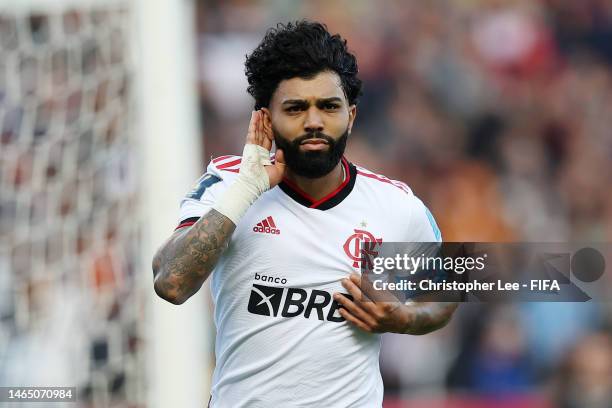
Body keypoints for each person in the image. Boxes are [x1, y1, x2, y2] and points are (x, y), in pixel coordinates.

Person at [152, 20, 457, 408]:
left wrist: (405, 318)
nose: (314, 121)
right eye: (295, 108)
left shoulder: (394, 205)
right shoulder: (228, 187)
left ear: (352, 116)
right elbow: (171, 282)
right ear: (265, 118)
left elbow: (452, 289)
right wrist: (247, 190)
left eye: (328, 106)